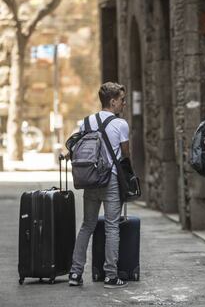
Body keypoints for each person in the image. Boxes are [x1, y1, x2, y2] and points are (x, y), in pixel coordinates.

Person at [68, 82, 130, 289]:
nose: (124, 104)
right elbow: (125, 155)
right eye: (122, 100)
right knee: (112, 226)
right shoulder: (121, 125)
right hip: (111, 179)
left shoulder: (86, 122)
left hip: (91, 179)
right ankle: (111, 276)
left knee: (87, 225)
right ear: (112, 101)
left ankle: (75, 274)